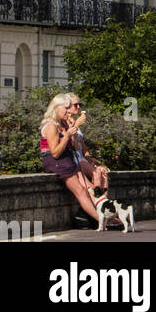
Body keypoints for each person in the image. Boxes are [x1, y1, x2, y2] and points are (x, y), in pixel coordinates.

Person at [40, 93, 100, 223]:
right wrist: (67, 135)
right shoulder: (51, 126)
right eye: (65, 108)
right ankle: (101, 220)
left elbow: (74, 147)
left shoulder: (63, 123)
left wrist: (73, 129)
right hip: (57, 162)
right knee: (81, 191)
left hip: (68, 159)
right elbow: (55, 153)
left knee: (88, 188)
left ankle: (95, 216)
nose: (68, 111)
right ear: (56, 108)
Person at [67, 95, 109, 194]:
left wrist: (89, 157)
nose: (78, 107)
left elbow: (83, 146)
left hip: (82, 158)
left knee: (103, 174)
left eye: (79, 105)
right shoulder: (67, 123)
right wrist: (76, 125)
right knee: (97, 172)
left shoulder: (75, 122)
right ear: (67, 107)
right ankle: (98, 201)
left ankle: (104, 203)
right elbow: (72, 145)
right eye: (75, 105)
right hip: (75, 160)